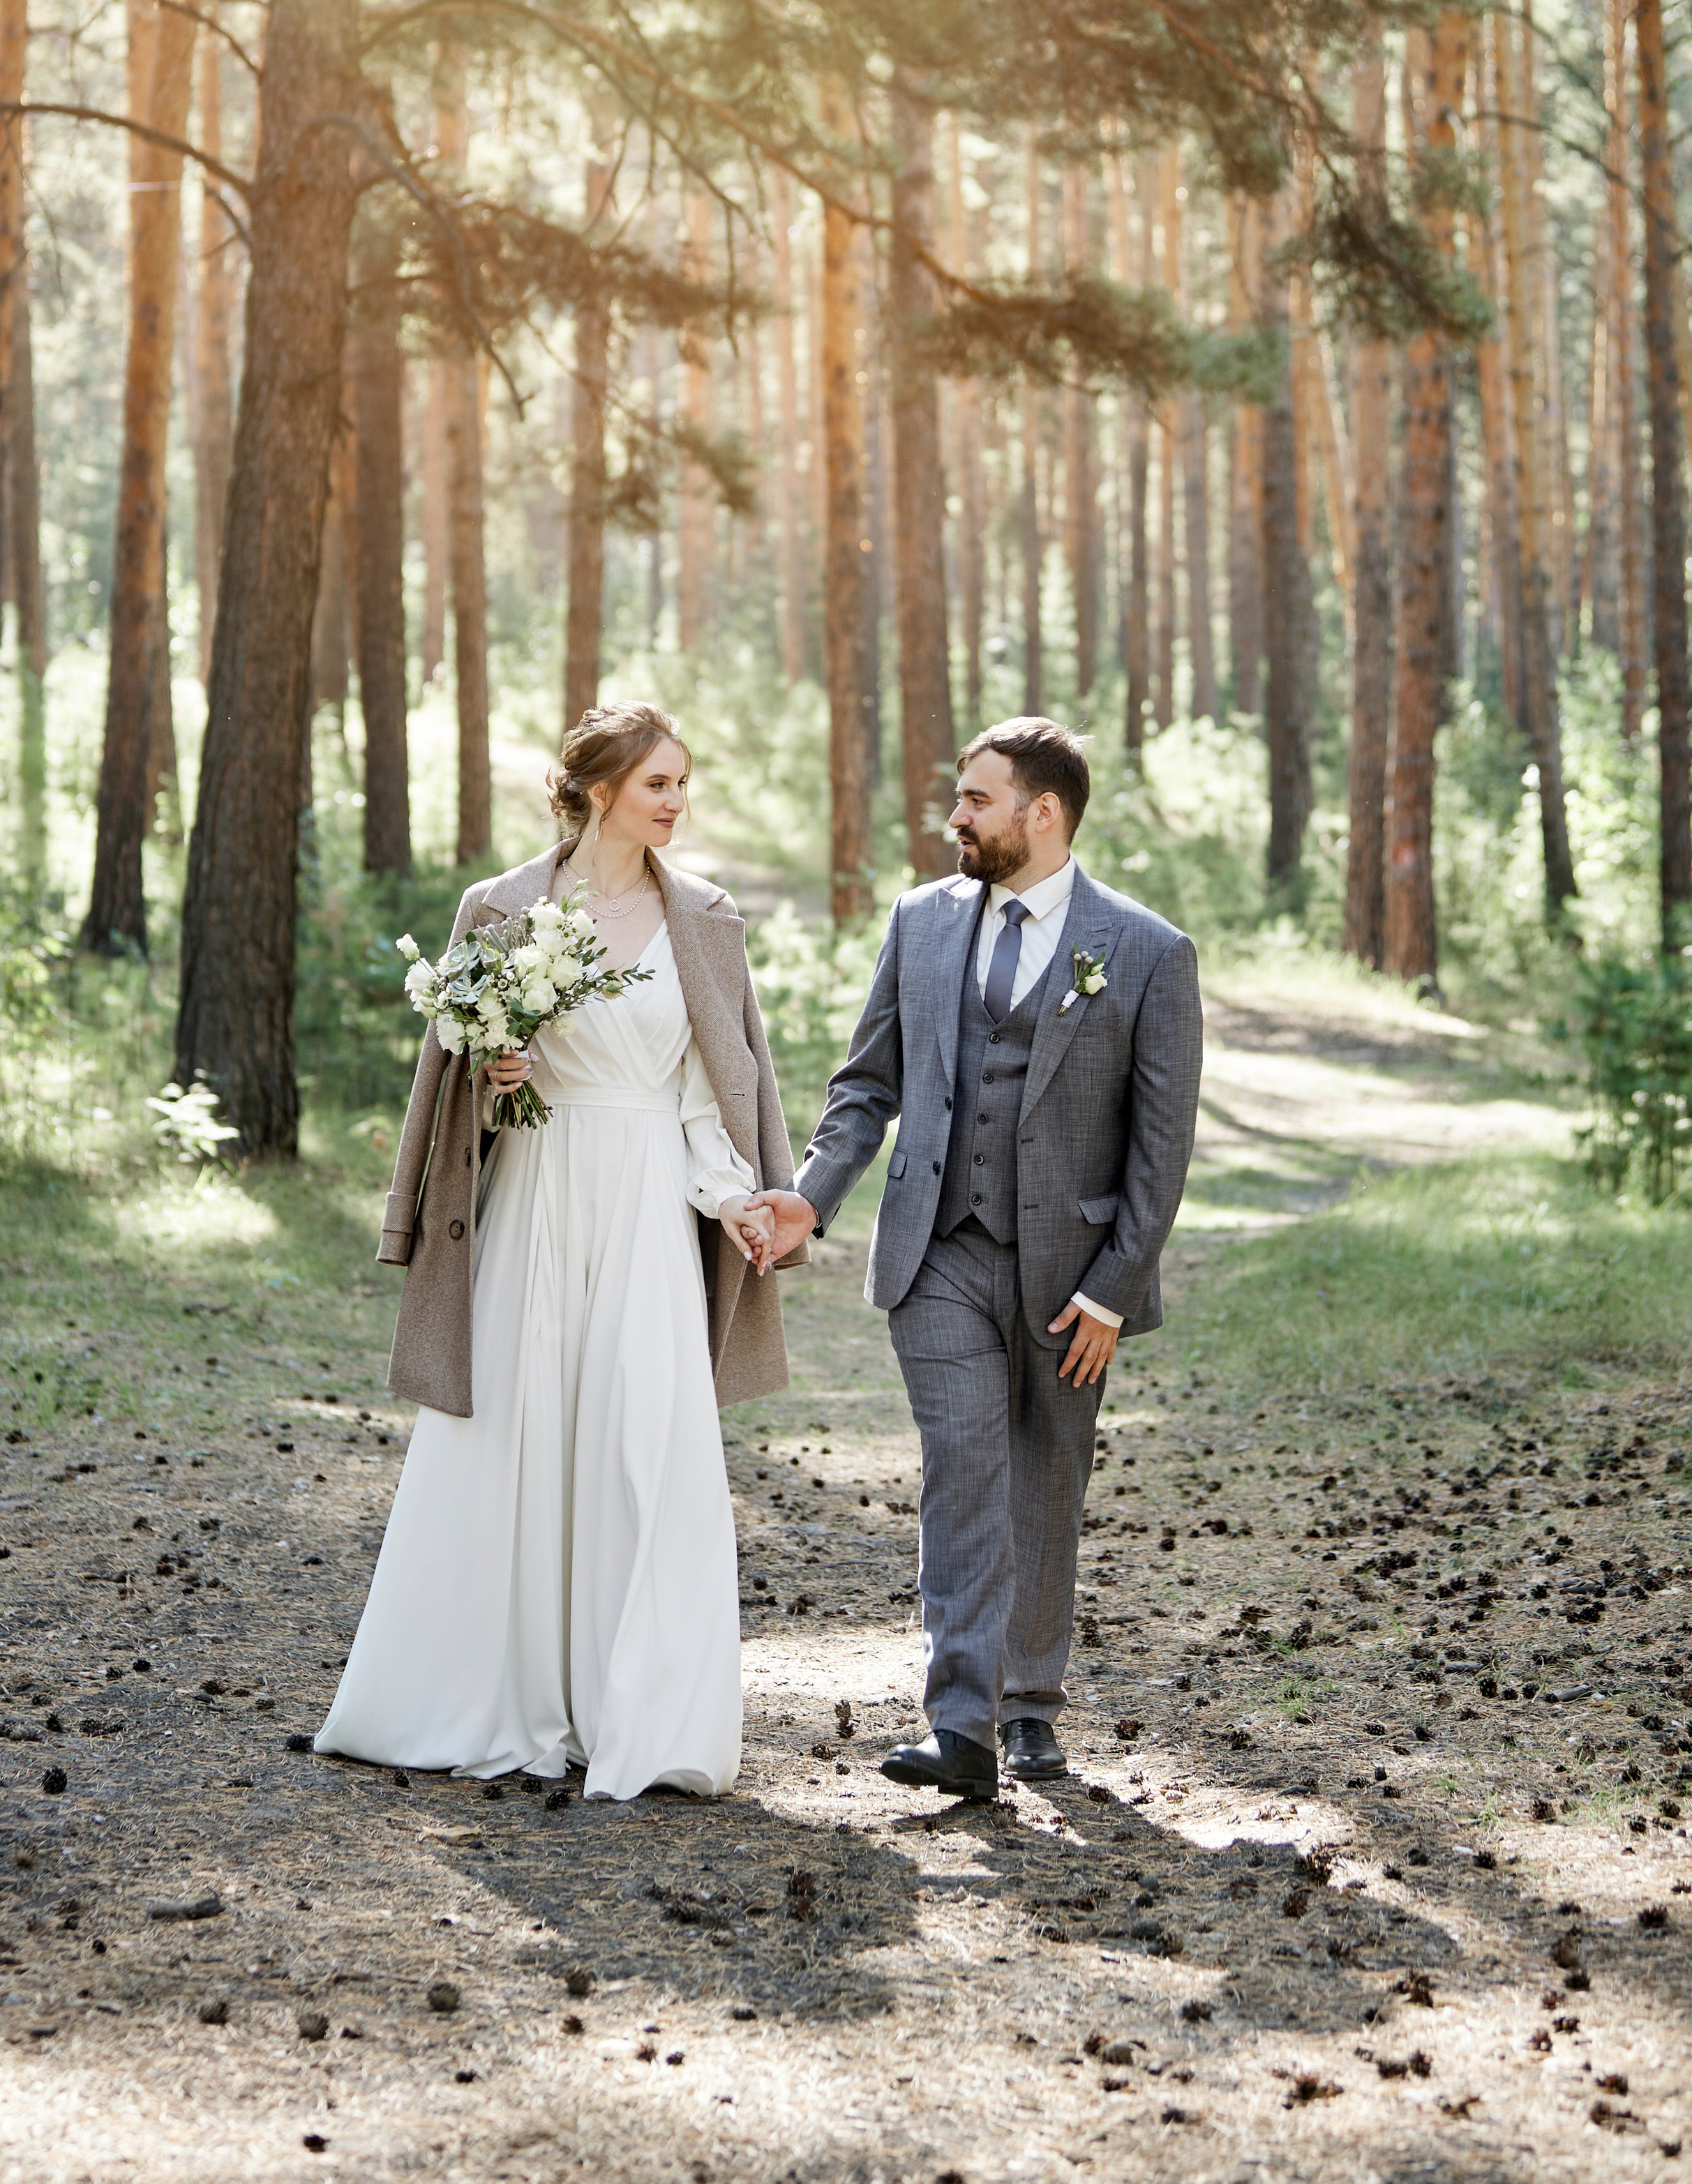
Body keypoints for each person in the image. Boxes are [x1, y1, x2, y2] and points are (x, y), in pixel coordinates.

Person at [313, 702, 804, 1800]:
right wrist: (499, 1078)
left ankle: (642, 1714)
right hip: (535, 1196)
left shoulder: (707, 918)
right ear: (598, 790)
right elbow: (456, 1097)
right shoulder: (501, 907)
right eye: (658, 783)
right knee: (518, 1435)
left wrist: (736, 1198)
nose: (677, 801)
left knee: (648, 1446)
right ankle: (494, 1692)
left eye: (683, 782)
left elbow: (711, 1093)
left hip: (647, 1211)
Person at [748, 718, 1200, 1803]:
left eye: (977, 800)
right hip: (938, 1250)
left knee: (1047, 1477)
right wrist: (812, 1194)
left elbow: (1161, 1147)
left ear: (1043, 814)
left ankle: (1029, 1702)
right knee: (965, 1469)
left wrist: (1112, 1291)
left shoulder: (1146, 951)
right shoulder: (922, 921)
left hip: (1072, 1276)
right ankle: (961, 1726)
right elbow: (867, 1084)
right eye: (958, 797)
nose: (954, 817)